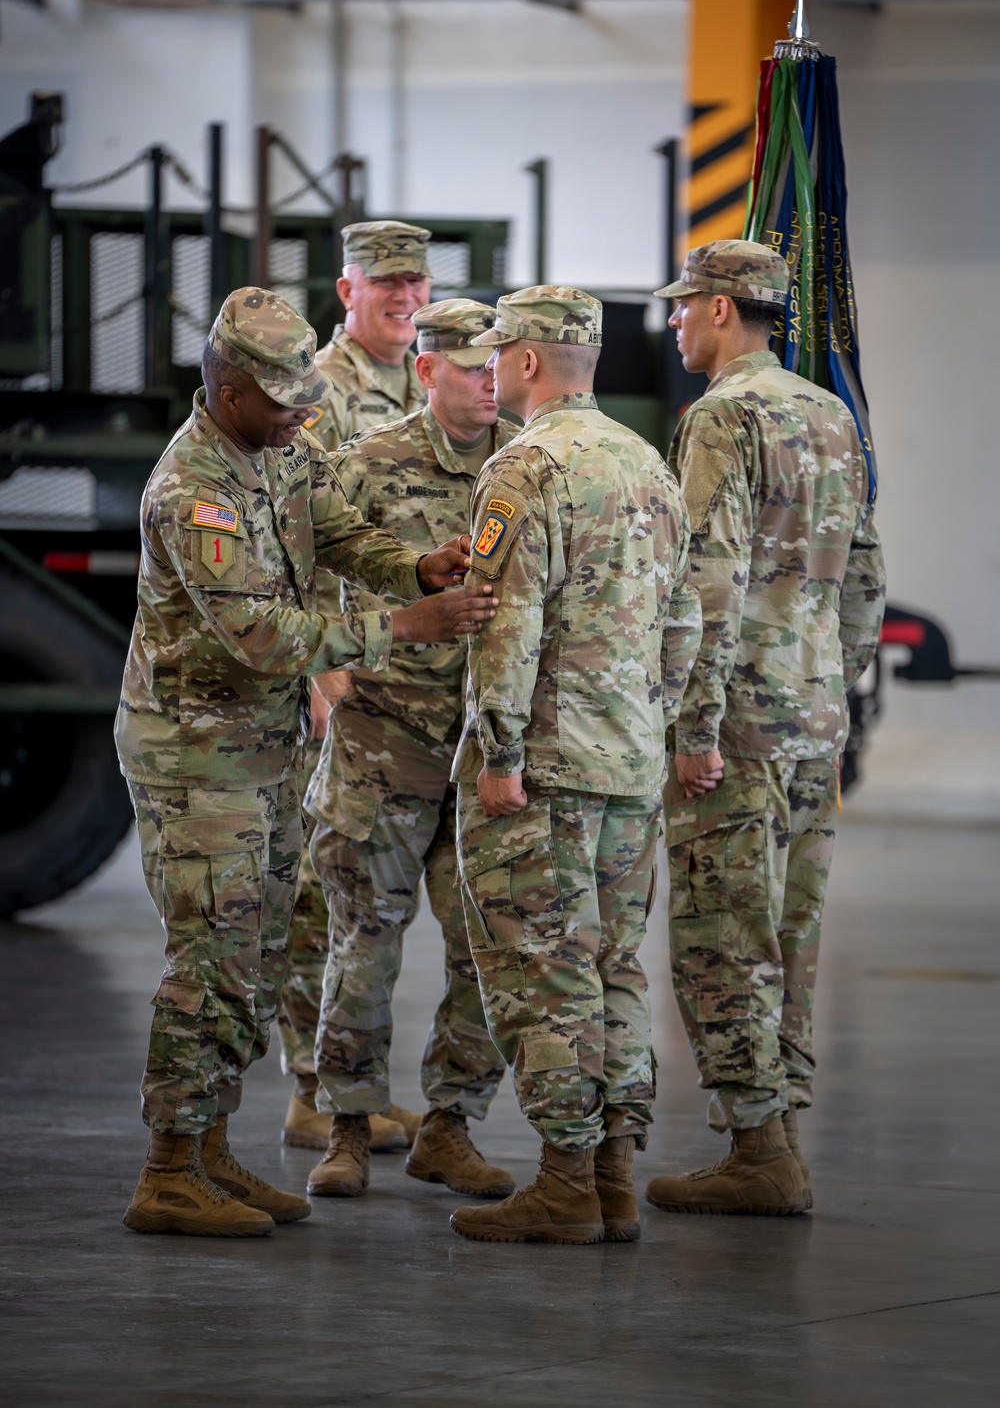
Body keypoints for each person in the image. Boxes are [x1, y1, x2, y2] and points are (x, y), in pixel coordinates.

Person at [115, 287, 497, 1238]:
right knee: (208, 964)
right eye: (282, 398)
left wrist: (415, 567)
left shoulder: (278, 449)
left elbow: (339, 532)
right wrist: (399, 625)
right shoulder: (194, 488)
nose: (302, 412)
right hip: (198, 758)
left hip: (261, 750)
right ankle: (168, 1169)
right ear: (228, 387)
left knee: (255, 962)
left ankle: (211, 1154)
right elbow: (258, 632)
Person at [448, 286, 703, 1246]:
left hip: (546, 769)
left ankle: (562, 1181)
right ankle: (612, 1175)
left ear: (521, 363)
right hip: (630, 763)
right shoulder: (649, 464)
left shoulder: (526, 468)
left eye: (495, 355)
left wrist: (500, 753)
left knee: (543, 971)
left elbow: (503, 626)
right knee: (612, 966)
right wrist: (656, 721)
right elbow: (685, 621)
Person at [644, 239, 886, 1217]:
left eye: (680, 305)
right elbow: (864, 571)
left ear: (717, 309)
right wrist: (834, 680)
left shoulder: (722, 419)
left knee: (720, 931)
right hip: (811, 713)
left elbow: (707, 582)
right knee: (791, 932)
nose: (669, 322)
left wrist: (692, 724)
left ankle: (755, 1145)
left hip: (737, 722)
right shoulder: (830, 412)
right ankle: (778, 1128)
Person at [302, 299, 521, 1204]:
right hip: (385, 741)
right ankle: (346, 1125)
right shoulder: (367, 464)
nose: (487, 381)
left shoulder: (530, 462)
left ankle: (450, 1125)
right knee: (364, 940)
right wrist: (331, 671)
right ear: (426, 372)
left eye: (496, 366)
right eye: (469, 367)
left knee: (488, 945)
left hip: (485, 749)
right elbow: (307, 577)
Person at [278, 217, 433, 1151]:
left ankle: (348, 1086)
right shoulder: (323, 393)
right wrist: (321, 668)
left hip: (398, 677)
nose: (406, 302)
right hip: (339, 673)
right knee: (318, 886)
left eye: (417, 286)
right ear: (348, 293)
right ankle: (311, 1088)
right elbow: (296, 539)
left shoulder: (415, 381)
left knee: (362, 891)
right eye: (388, 288)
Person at [312, 219, 432, 450]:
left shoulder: (433, 382)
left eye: (415, 281)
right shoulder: (317, 388)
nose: (404, 297)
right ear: (347, 292)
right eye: (385, 281)